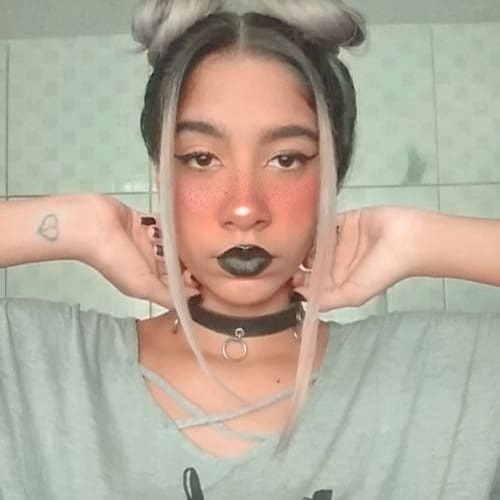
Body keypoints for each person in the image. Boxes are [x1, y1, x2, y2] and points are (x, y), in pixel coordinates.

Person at [1, 1, 500, 499]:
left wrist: (418, 240)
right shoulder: (43, 365)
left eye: (286, 159)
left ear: (330, 176)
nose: (244, 208)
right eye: (201, 158)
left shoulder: (443, 370)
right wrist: (78, 225)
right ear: (162, 175)